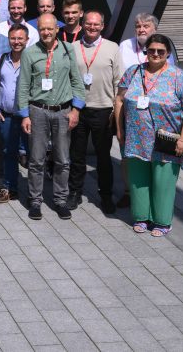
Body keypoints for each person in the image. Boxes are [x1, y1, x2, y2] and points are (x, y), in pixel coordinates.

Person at [113, 34, 183, 237]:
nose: (155, 54)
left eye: (161, 51)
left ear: (167, 53)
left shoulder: (179, 77)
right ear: (146, 51)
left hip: (165, 141)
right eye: (151, 50)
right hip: (136, 138)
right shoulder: (133, 72)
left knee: (163, 183)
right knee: (138, 180)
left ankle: (162, 221)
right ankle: (141, 217)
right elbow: (119, 100)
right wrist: (119, 129)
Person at [16, 14, 86, 220]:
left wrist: (76, 110)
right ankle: (35, 200)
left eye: (49, 28)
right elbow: (23, 86)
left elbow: (77, 81)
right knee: (36, 160)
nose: (46, 32)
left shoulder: (67, 49)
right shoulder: (29, 53)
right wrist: (24, 115)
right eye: (42, 29)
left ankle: (60, 200)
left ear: (57, 29)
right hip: (38, 111)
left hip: (63, 111)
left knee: (63, 159)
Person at [71, 11, 124, 214]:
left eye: (96, 24)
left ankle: (106, 195)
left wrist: (116, 109)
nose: (92, 27)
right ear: (83, 24)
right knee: (77, 155)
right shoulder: (73, 47)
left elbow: (119, 81)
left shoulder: (112, 47)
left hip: (103, 110)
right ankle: (75, 192)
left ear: (102, 26)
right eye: (88, 23)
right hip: (78, 108)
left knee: (103, 157)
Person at [0, 25, 29, 203]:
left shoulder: (31, 60)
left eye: (20, 38)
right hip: (6, 115)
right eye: (13, 38)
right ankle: (10, 188)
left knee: (32, 154)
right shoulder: (0, 60)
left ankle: (33, 192)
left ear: (27, 40)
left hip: (28, 117)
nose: (16, 42)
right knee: (8, 152)